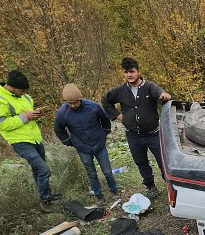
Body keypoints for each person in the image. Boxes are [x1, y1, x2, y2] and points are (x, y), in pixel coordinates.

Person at [0, 70, 60, 213]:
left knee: (38, 170)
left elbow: (27, 115)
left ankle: (47, 195)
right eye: (22, 91)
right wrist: (25, 116)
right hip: (20, 141)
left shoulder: (25, 96)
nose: (24, 93)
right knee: (44, 170)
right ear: (12, 87)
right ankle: (45, 201)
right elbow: (1, 124)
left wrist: (34, 114)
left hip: (35, 138)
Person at [101, 57, 171, 199]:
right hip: (133, 136)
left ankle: (171, 186)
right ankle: (151, 187)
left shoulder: (149, 87)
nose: (129, 75)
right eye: (126, 72)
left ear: (138, 71)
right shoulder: (120, 90)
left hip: (153, 134)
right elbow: (105, 100)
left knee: (163, 161)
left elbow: (160, 94)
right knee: (141, 163)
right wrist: (118, 116)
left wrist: (164, 96)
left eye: (132, 71)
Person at [54, 83, 118, 203]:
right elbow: (58, 129)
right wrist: (68, 141)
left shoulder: (92, 106)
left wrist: (105, 133)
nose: (72, 105)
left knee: (107, 171)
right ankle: (98, 195)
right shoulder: (62, 113)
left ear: (80, 99)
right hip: (82, 147)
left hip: (99, 143)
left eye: (75, 102)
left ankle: (113, 190)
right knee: (91, 173)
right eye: (69, 103)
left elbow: (105, 119)